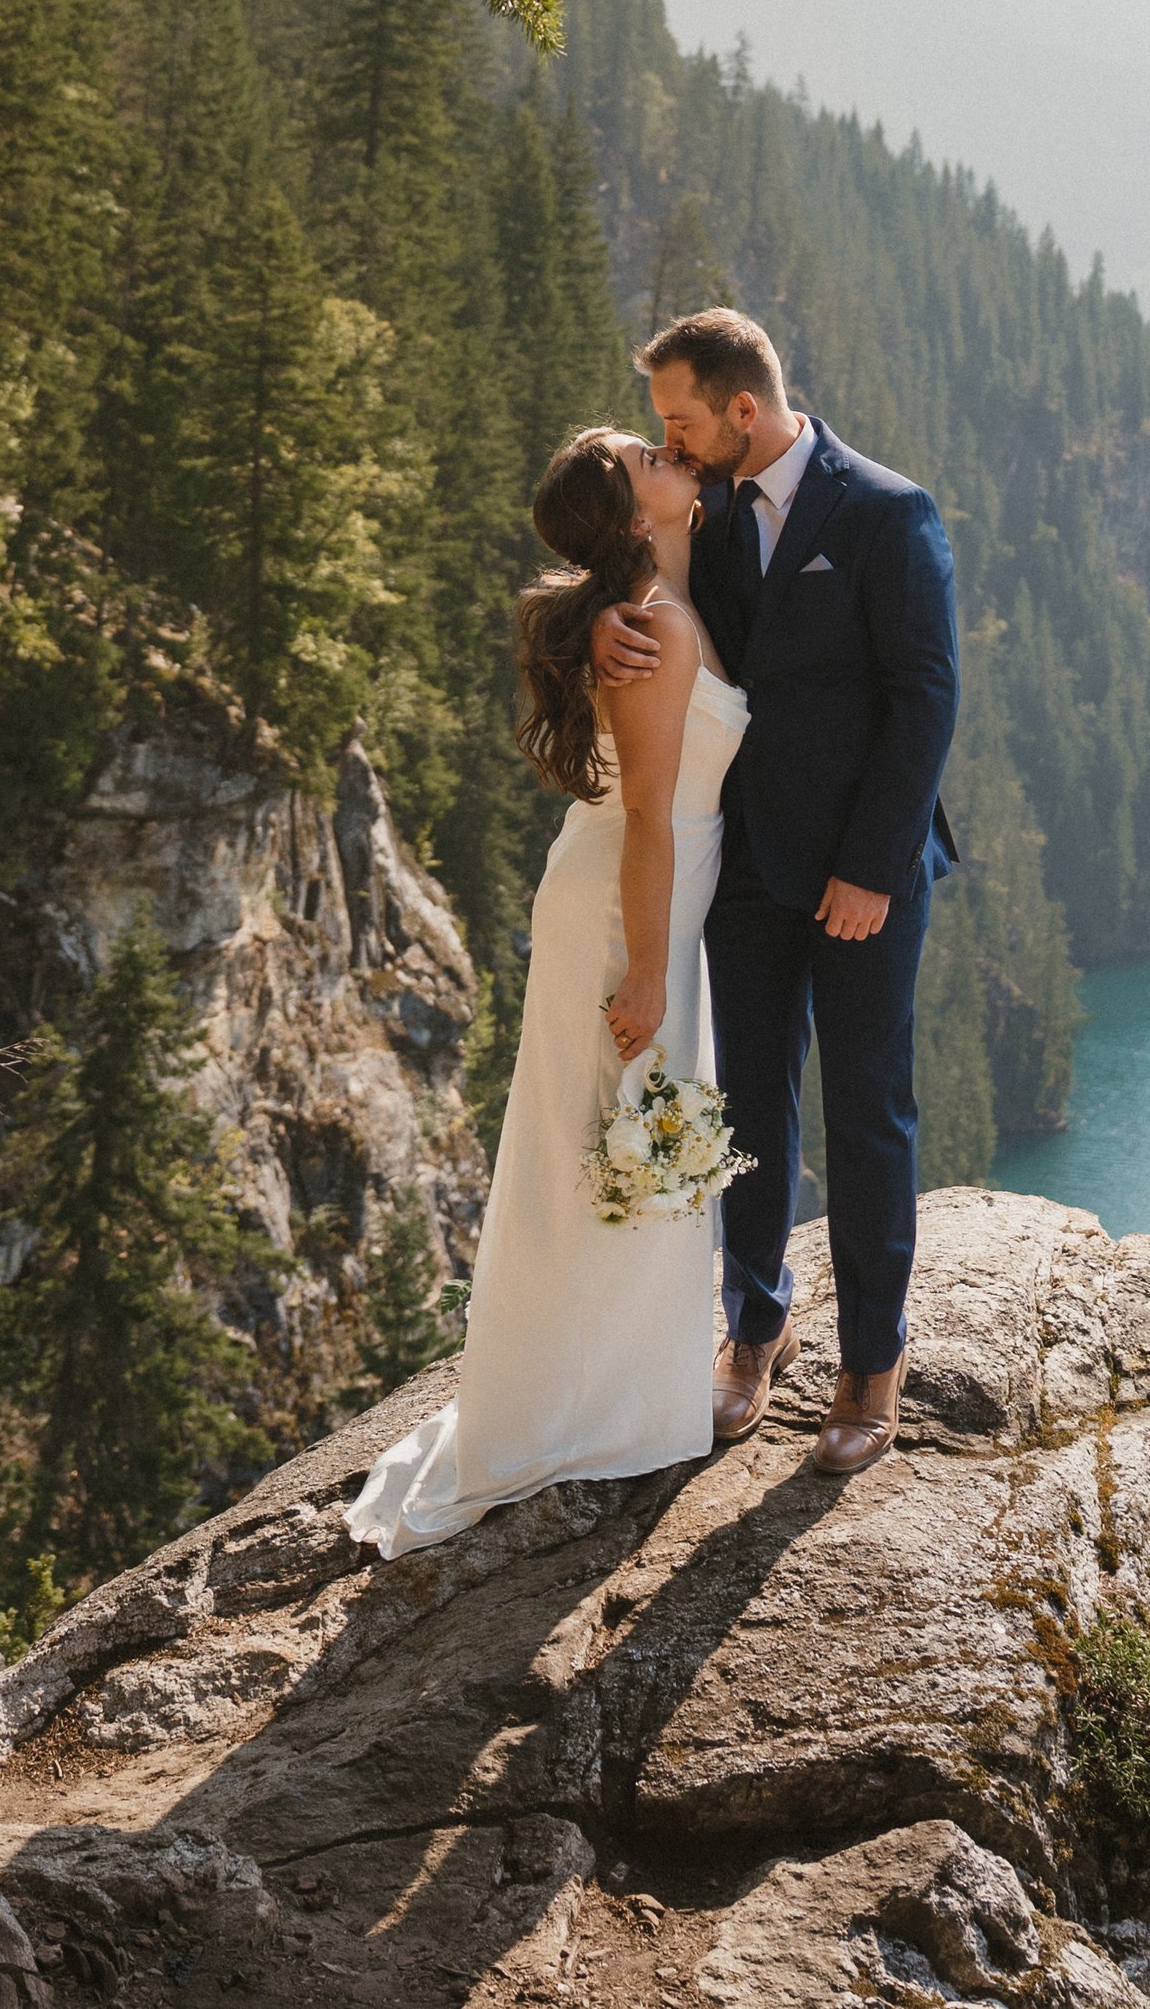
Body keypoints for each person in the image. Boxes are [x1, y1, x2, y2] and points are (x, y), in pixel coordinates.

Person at [345, 427, 748, 1558]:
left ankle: (617, 1388)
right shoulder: (656, 627)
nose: (667, 449)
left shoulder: (656, 603)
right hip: (626, 906)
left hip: (638, 896)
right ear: (631, 515)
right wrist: (648, 969)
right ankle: (580, 1407)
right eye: (645, 456)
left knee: (622, 1146)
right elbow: (651, 815)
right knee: (613, 1143)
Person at [594, 310, 958, 1479]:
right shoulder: (702, 511)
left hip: (863, 874)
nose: (671, 440)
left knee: (866, 1109)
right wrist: (608, 623)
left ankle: (872, 1363)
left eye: (680, 418)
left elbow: (925, 697)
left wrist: (871, 867)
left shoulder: (887, 510)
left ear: (742, 409)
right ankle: (756, 1325)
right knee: (748, 1104)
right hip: (744, 862)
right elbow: (662, 607)